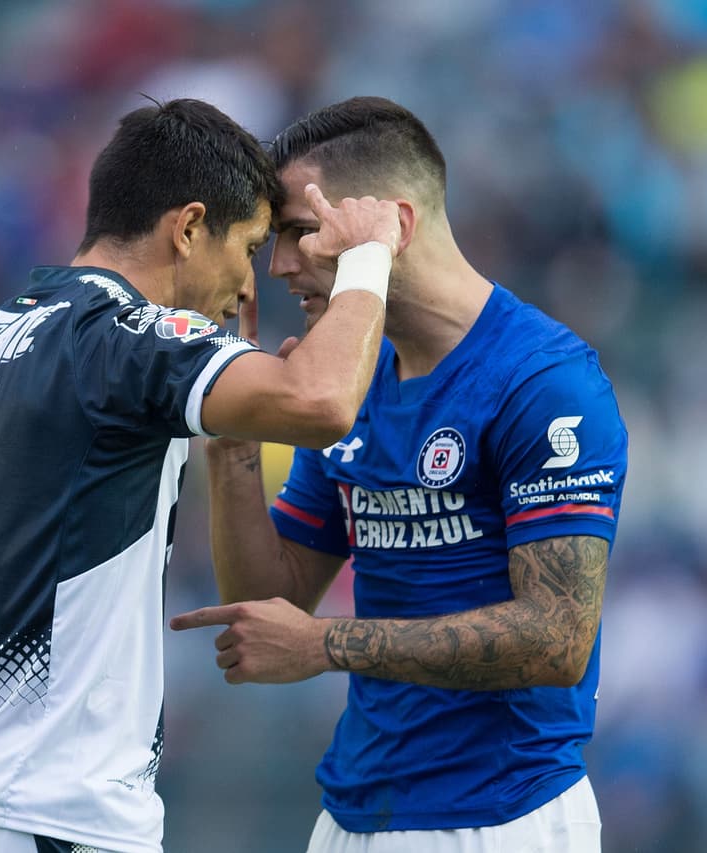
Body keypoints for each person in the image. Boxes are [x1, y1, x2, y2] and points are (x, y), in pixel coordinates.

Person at [0, 97, 404, 853]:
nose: (249, 286)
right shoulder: (130, 338)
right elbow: (320, 401)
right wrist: (369, 255)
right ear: (187, 228)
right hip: (53, 817)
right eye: (248, 247)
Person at [171, 96, 628, 853]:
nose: (278, 265)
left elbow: (558, 637)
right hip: (353, 812)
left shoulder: (544, 382)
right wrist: (236, 447)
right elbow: (271, 602)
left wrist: (327, 644)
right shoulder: (350, 381)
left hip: (499, 818)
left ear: (393, 229)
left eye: (298, 232)